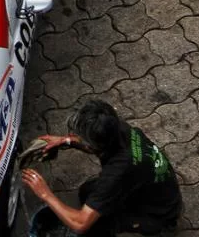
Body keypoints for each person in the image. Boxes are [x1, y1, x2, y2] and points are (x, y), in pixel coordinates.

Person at [22, 99, 183, 236]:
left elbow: (81, 223)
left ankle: (160, 228)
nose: (74, 137)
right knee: (87, 191)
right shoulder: (117, 128)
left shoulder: (116, 172)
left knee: (93, 227)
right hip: (149, 187)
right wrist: (65, 141)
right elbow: (95, 146)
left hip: (159, 214)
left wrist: (45, 194)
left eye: (78, 137)